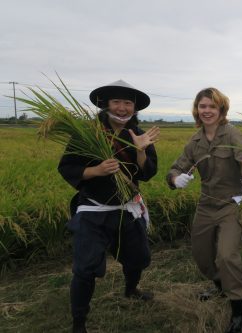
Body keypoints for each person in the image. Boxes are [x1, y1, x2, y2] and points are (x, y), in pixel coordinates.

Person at [58, 80, 159, 333]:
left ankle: (131, 289)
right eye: (117, 102)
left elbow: (146, 174)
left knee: (138, 258)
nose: (123, 108)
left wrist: (141, 151)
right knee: (85, 269)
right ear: (105, 105)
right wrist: (96, 170)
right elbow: (67, 167)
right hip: (94, 209)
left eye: (128, 103)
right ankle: (78, 323)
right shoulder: (87, 134)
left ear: (134, 108)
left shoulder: (137, 134)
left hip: (127, 207)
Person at [166, 87, 242, 333]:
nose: (207, 111)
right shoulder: (194, 141)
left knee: (226, 255)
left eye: (212, 106)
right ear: (197, 110)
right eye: (202, 106)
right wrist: (175, 180)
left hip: (231, 205)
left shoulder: (232, 135)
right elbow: (176, 167)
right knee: (202, 256)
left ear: (221, 109)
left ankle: (239, 310)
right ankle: (220, 285)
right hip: (206, 205)